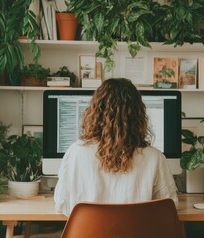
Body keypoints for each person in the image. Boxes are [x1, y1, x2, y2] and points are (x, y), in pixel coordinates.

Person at [54, 78, 178, 216]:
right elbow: (170, 206)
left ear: (95, 112)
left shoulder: (75, 152)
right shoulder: (154, 157)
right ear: (138, 115)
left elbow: (62, 204)